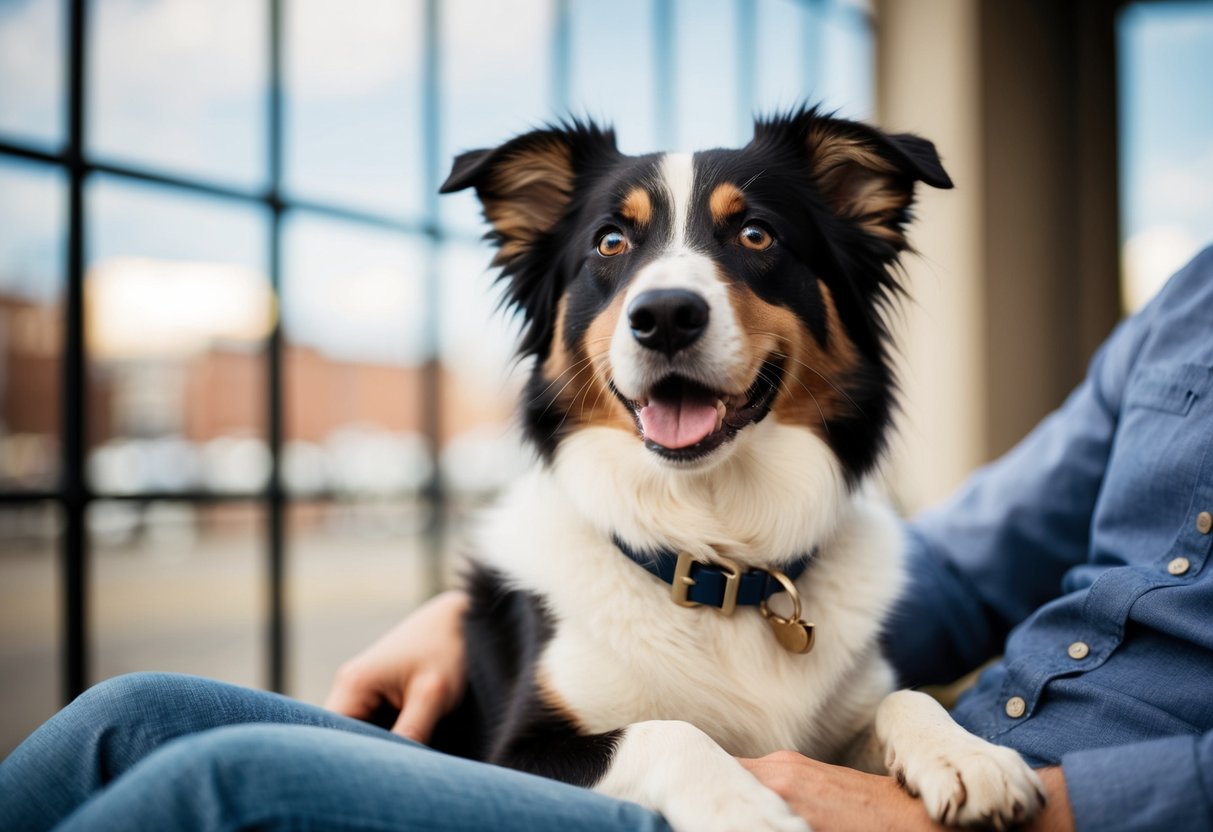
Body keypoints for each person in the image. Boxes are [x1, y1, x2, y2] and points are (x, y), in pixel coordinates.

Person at [2, 246, 1212, 831]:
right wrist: (499, 616)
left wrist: (1057, 806)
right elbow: (953, 567)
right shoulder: (1186, 302)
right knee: (136, 716)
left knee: (224, 792)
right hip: (914, 765)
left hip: (1002, 817)